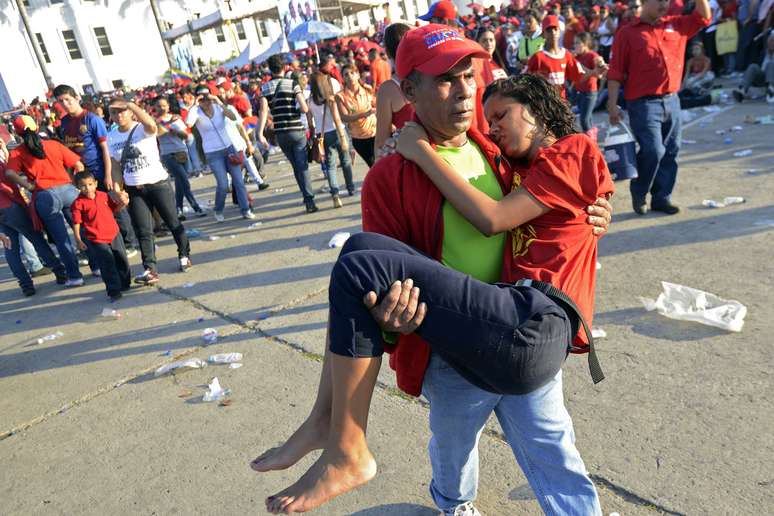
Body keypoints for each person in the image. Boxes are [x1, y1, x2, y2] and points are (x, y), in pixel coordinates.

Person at [252, 25, 612, 516]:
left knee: (553, 448)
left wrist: (595, 211)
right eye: (445, 80)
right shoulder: (390, 177)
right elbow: (384, 283)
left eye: (470, 74)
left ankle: (335, 430)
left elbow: (550, 205)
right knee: (452, 448)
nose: (465, 91)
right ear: (409, 91)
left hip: (520, 325)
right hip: (452, 346)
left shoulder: (496, 149)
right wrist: (392, 323)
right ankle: (452, 506)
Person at [607, 0, 711, 215]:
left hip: (672, 99)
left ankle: (662, 197)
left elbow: (704, 17)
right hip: (643, 104)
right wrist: (612, 105)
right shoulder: (627, 34)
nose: (665, 4)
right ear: (644, 3)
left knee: (671, 150)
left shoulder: (676, 24)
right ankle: (640, 191)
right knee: (654, 150)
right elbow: (615, 73)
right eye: (660, 0)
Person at [107, 98, 192, 285]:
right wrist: (117, 189)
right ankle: (150, 269)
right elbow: (115, 166)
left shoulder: (142, 128)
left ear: (130, 111)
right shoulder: (112, 137)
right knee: (144, 230)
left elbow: (151, 124)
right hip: (134, 188)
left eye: (122, 111)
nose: (118, 115)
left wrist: (130, 104)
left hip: (157, 183)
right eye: (113, 112)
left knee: (172, 222)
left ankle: (184, 254)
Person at [53, 84, 139, 257]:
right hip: (81, 173)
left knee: (115, 205)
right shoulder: (64, 122)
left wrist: (108, 174)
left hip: (99, 170)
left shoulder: (92, 119)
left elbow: (105, 148)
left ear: (76, 98)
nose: (65, 104)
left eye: (68, 100)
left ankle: (129, 243)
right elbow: (68, 150)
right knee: (92, 211)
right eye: (61, 102)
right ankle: (101, 245)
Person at [4, 115, 86, 287]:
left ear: (17, 132)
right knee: (83, 230)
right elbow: (78, 165)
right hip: (67, 189)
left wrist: (27, 185)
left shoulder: (17, 152)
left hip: (44, 195)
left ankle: (74, 275)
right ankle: (97, 266)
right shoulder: (53, 144)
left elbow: (9, 173)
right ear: (36, 126)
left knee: (61, 239)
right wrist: (72, 182)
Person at [0, 151, 67, 296]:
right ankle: (60, 272)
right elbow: (8, 187)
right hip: (10, 206)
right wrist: (24, 203)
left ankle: (25, 285)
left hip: (3, 213)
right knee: (36, 239)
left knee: (10, 248)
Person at [258, 55, 319, 214]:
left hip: (281, 134)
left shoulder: (265, 88)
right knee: (302, 165)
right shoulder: (292, 84)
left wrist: (260, 134)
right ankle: (309, 200)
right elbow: (305, 109)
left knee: (295, 166)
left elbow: (264, 112)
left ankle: (305, 195)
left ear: (270, 69)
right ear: (284, 68)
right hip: (296, 130)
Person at [186, 85, 256, 221]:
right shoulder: (196, 112)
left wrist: (218, 101)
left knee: (239, 181)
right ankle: (218, 209)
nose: (205, 100)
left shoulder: (218, 108)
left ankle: (245, 209)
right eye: (202, 97)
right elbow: (188, 123)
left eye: (207, 96)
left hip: (229, 148)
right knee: (223, 184)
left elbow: (233, 117)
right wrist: (195, 104)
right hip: (213, 153)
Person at [71, 171, 131, 302]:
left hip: (113, 233)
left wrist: (123, 202)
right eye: (83, 186)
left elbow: (114, 209)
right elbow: (76, 222)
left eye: (90, 184)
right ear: (77, 187)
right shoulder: (78, 203)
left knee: (122, 259)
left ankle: (125, 284)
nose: (87, 188)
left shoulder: (104, 196)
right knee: (107, 265)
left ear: (96, 184)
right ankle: (114, 291)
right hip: (96, 238)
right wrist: (78, 239)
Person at [528, 16, 605, 101]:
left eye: (555, 29)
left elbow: (578, 76)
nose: (553, 32)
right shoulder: (538, 57)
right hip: (543, 104)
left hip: (560, 105)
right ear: (543, 34)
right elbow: (526, 82)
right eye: (549, 30)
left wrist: (594, 72)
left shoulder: (566, 55)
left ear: (559, 31)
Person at [154, 97, 206, 220]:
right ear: (154, 107)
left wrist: (174, 131)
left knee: (180, 183)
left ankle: (178, 210)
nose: (162, 108)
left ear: (168, 106)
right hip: (168, 155)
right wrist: (168, 126)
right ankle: (196, 207)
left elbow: (186, 136)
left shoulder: (176, 118)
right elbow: (157, 133)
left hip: (182, 152)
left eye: (164, 105)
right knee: (184, 181)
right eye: (159, 106)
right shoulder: (154, 121)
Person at [308, 72, 355, 206]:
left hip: (322, 136)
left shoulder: (310, 101)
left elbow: (310, 123)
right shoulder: (330, 100)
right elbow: (336, 118)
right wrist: (343, 137)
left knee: (330, 165)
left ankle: (335, 194)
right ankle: (350, 187)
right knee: (345, 161)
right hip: (336, 131)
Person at [373, 23, 414, 154]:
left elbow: (381, 141)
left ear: (387, 51)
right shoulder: (431, 74)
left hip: (414, 157)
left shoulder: (387, 90)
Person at [336, 64, 377, 168]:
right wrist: (363, 114)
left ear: (358, 75)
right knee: (373, 165)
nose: (350, 76)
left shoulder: (367, 89)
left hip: (375, 132)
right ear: (343, 78)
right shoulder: (340, 96)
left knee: (383, 163)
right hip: (359, 138)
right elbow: (344, 117)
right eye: (346, 74)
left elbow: (376, 105)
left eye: (352, 73)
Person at [574, 32, 607, 132]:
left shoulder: (592, 55)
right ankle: (593, 140)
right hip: (579, 92)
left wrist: (601, 64)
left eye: (577, 43)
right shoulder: (576, 57)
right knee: (588, 119)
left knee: (584, 120)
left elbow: (601, 66)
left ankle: (590, 143)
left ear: (585, 44)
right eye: (574, 43)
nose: (575, 46)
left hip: (589, 93)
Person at [733, 32, 774, 103]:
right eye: (770, 41)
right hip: (763, 78)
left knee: (771, 64)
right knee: (753, 66)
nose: (771, 43)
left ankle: (771, 91)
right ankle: (742, 90)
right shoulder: (763, 53)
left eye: (773, 41)